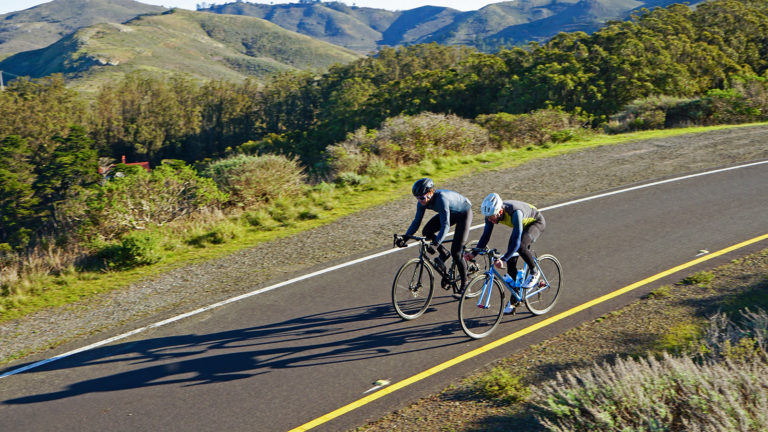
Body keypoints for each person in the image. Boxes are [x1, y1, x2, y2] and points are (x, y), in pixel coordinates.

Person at [464, 193, 546, 313]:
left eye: (492, 217)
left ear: (500, 212)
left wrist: (503, 259)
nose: (490, 220)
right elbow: (485, 236)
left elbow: (517, 242)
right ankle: (515, 300)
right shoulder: (490, 215)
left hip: (535, 223)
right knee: (511, 264)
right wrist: (473, 253)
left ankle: (534, 271)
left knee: (521, 247)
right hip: (521, 225)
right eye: (488, 217)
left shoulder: (514, 213)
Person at [395, 178, 472, 298]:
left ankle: (466, 285)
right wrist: (405, 237)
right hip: (450, 213)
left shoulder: (441, 199)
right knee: (427, 231)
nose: (419, 201)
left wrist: (436, 243)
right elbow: (416, 222)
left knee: (456, 253)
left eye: (421, 198)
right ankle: (444, 254)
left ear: (430, 192)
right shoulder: (422, 202)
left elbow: (445, 225)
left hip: (464, 214)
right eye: (417, 198)